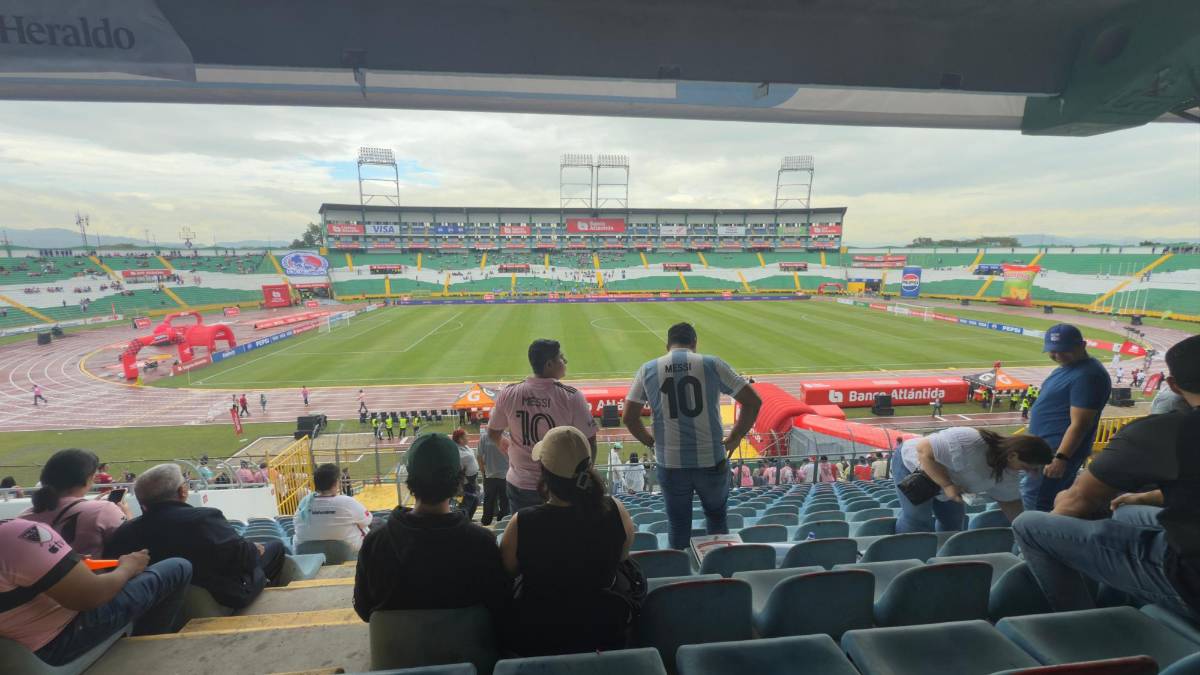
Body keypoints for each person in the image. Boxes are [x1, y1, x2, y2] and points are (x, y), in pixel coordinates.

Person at [1013, 335, 1200, 619]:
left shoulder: (1165, 433)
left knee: (1030, 525)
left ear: (1173, 386)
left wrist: (1063, 492)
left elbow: (1078, 500)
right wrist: (1145, 496)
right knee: (1127, 511)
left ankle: (1082, 623)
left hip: (1189, 580)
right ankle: (1124, 605)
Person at [499, 426, 638, 656]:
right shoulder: (616, 510)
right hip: (603, 634)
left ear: (544, 472)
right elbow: (622, 557)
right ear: (588, 467)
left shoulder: (521, 523)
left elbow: (508, 570)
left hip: (540, 637)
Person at [623, 322, 761, 549]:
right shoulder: (712, 364)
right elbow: (753, 401)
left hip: (670, 462)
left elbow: (629, 417)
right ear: (694, 343)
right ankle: (718, 571)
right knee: (717, 519)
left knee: (678, 525)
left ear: (667, 345)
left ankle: (682, 576)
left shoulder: (647, 369)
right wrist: (736, 436)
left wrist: (651, 442)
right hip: (712, 460)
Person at [353, 434, 510, 628]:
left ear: (410, 478)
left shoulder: (375, 541)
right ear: (459, 477)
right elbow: (500, 606)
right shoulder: (482, 542)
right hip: (468, 654)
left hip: (398, 655)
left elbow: (364, 609)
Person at [0, 519, 192, 666]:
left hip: (15, 649)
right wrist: (129, 567)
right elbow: (90, 596)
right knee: (178, 568)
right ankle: (148, 658)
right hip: (55, 643)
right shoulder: (17, 534)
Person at [105, 463, 286, 609]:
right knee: (276, 547)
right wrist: (253, 549)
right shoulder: (204, 518)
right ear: (183, 491)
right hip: (224, 595)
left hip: (157, 606)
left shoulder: (125, 532)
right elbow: (242, 558)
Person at [489, 339, 598, 512]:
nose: (565, 361)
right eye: (561, 358)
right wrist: (583, 476)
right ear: (549, 364)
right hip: (560, 485)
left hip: (519, 484)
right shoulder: (571, 397)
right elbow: (590, 441)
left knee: (525, 534)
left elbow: (493, 432)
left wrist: (505, 444)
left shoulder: (509, 393)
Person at [892, 427, 1053, 533]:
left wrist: (1024, 530)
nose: (1030, 473)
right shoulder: (969, 440)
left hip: (952, 483)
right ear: (1013, 455)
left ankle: (941, 559)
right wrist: (947, 485)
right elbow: (923, 450)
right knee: (918, 520)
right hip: (914, 465)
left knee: (953, 522)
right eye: (1027, 467)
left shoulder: (1008, 473)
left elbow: (1010, 503)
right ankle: (905, 556)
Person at [1022, 324, 1112, 512]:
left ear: (1083, 345)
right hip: (1043, 449)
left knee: (1038, 503)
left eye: (1065, 350)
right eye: (1053, 351)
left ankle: (1032, 539)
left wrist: (1060, 458)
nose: (1059, 355)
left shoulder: (1088, 376)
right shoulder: (1069, 368)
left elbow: (1080, 423)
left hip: (1054, 453)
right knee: (1034, 497)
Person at [20, 449, 129, 557]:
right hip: (96, 574)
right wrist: (127, 516)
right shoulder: (104, 509)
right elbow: (130, 545)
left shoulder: (22, 517)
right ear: (89, 478)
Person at [293, 463, 372, 554]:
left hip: (309, 556)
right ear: (335, 483)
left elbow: (296, 524)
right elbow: (367, 520)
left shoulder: (304, 504)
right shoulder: (346, 502)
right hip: (349, 554)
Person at [477, 423, 510, 526]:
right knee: (489, 500)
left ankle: (502, 521)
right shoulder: (485, 437)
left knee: (505, 500)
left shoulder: (508, 436)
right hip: (490, 475)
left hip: (505, 475)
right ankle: (486, 521)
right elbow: (479, 456)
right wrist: (483, 471)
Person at [453, 429, 481, 520]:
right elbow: (458, 470)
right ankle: (462, 521)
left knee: (475, 500)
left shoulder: (465, 447)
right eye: (466, 436)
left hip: (472, 479)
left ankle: (468, 519)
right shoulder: (457, 452)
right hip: (466, 481)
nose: (468, 438)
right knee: (467, 503)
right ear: (460, 439)